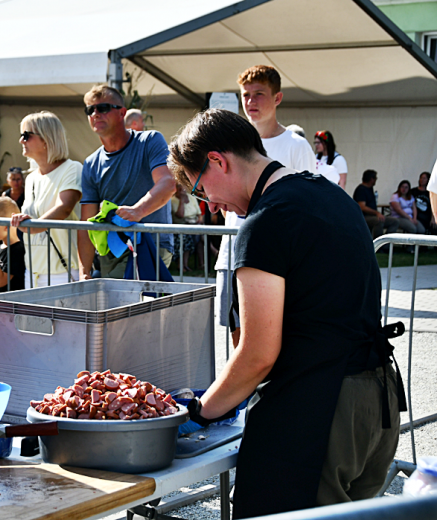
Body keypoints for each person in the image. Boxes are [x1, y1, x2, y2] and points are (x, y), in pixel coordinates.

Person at [169, 108, 402, 519]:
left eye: (201, 190)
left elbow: (258, 353)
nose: (211, 205)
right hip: (378, 403)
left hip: (323, 409)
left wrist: (201, 411)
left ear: (218, 161)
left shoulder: (266, 221)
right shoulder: (330, 195)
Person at [217, 65, 314, 346]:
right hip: (234, 253)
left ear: (277, 98)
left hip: (277, 259)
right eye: (246, 95)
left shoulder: (296, 146)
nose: (251, 101)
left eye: (259, 94)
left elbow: (308, 204)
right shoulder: (229, 145)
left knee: (274, 336)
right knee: (239, 338)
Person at [78, 85, 175, 280]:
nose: (95, 114)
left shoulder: (150, 140)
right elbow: (86, 223)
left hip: (150, 247)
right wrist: (84, 271)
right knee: (120, 309)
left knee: (136, 308)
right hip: (111, 253)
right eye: (90, 110)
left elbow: (168, 183)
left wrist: (137, 211)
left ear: (122, 112)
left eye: (103, 108)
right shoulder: (90, 163)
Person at [10, 111, 82, 287]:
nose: (21, 141)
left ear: (46, 139)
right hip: (32, 271)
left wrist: (32, 227)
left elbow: (64, 208)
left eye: (26, 135)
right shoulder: (31, 178)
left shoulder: (72, 168)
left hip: (62, 272)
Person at [353, 169, 399, 238]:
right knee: (379, 221)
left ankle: (386, 243)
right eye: (376, 178)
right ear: (372, 179)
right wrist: (376, 213)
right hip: (363, 217)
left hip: (372, 215)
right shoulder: (361, 190)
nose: (376, 180)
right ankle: (377, 244)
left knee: (395, 221)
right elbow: (362, 206)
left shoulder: (370, 188)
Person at [171, 185, 204, 271]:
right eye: (180, 190)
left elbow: (199, 214)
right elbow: (180, 215)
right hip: (181, 226)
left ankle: (202, 264)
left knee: (201, 237)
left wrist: (199, 221)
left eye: (184, 189)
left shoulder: (191, 197)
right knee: (187, 238)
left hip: (194, 224)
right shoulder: (173, 200)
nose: (183, 191)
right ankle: (182, 265)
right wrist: (181, 200)